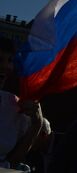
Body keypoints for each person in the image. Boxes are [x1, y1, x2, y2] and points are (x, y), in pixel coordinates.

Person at [0, 37, 44, 169]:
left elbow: (12, 164)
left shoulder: (13, 104)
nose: (7, 67)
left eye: (9, 60)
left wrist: (37, 123)